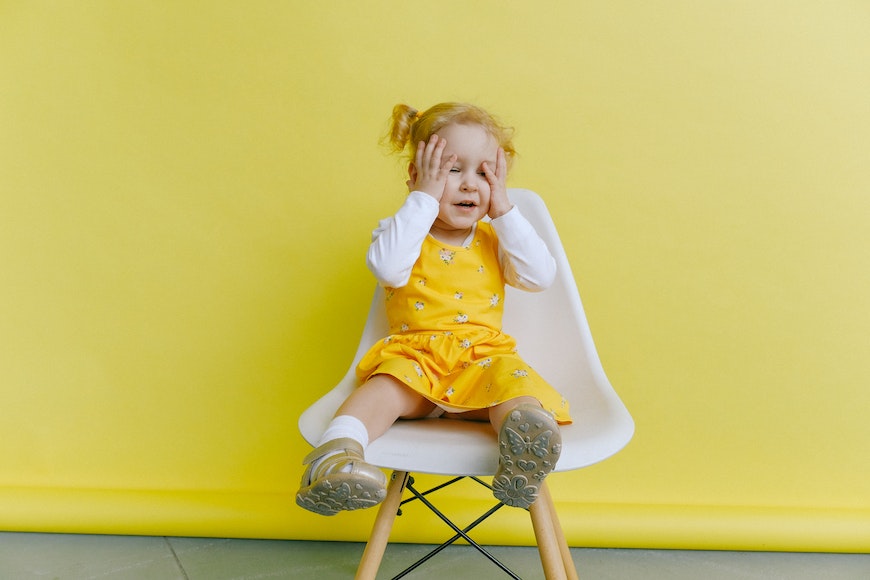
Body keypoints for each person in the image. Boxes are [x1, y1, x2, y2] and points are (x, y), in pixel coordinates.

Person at [297, 102, 571, 516]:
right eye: (451, 170)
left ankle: (523, 451)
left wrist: (504, 211)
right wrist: (423, 200)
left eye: (484, 173)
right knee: (383, 389)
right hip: (417, 359)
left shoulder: (497, 241)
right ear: (416, 176)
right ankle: (337, 456)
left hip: (481, 361)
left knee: (514, 387)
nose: (468, 185)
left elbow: (540, 276)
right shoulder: (402, 233)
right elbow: (387, 268)